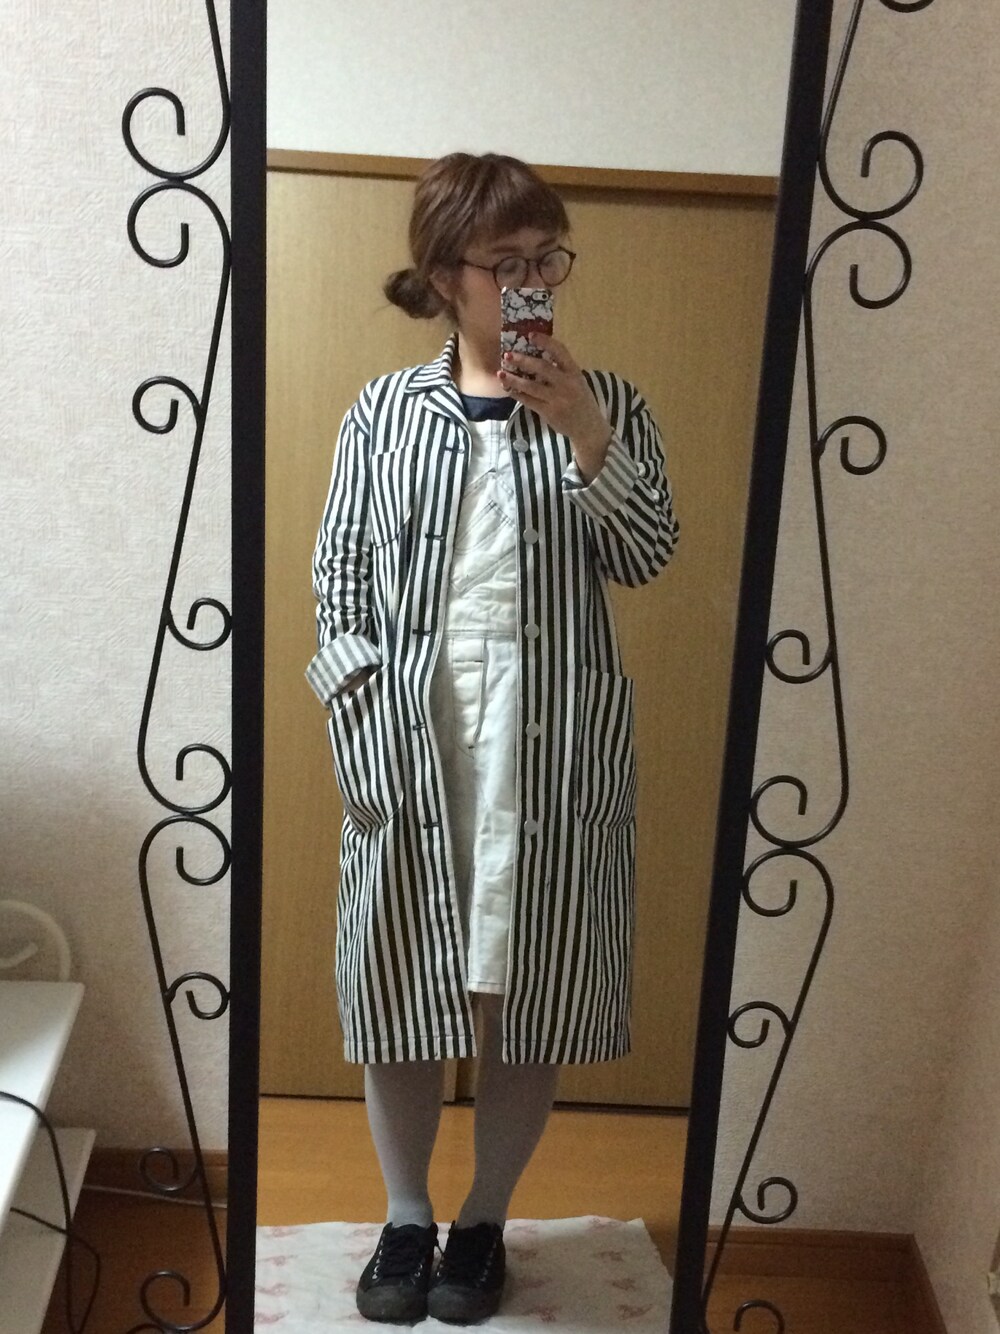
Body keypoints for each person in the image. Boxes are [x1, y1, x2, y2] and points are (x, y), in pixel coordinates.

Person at [306, 151, 679, 1324]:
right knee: (403, 985)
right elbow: (337, 577)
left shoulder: (607, 401)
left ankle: (482, 1222)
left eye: (547, 258)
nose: (534, 284)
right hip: (413, 743)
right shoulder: (381, 412)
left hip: (547, 747)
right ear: (444, 275)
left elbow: (646, 553)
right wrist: (358, 709)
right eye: (506, 263)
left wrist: (584, 431)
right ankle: (405, 1214)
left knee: (527, 989)